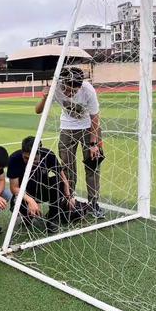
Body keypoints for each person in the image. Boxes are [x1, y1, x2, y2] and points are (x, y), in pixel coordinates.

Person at [35, 67, 105, 218]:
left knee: (92, 167)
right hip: (67, 128)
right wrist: (45, 97)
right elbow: (38, 111)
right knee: (67, 167)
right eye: (68, 90)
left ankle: (94, 203)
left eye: (74, 91)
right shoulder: (55, 88)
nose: (70, 94)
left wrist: (93, 144)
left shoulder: (88, 90)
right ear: (63, 83)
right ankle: (69, 199)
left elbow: (95, 118)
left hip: (89, 128)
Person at [7, 136, 86, 232]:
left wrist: (69, 197)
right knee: (21, 210)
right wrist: (31, 201)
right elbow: (14, 188)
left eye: (33, 159)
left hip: (43, 189)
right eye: (26, 158)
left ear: (40, 153)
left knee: (58, 182)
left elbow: (63, 178)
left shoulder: (49, 155)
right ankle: (27, 216)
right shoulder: (14, 159)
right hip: (25, 193)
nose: (29, 162)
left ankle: (53, 218)